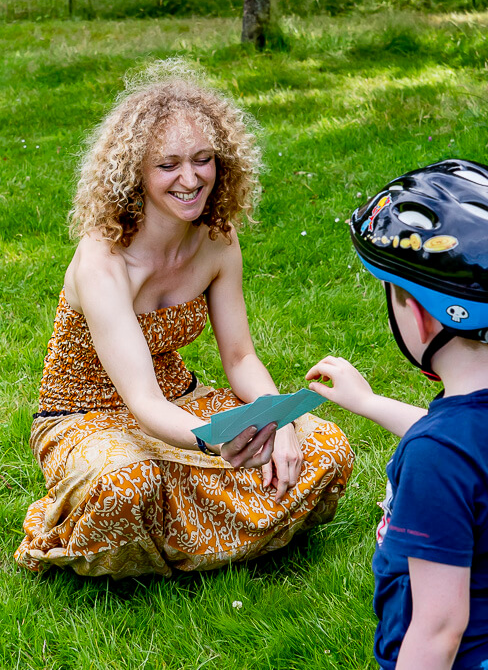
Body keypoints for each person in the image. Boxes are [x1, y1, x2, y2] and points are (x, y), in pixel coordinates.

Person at [15, 58, 353, 580]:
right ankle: (129, 519)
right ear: (135, 174)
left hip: (180, 399)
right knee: (127, 484)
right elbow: (142, 401)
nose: (190, 178)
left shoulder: (218, 239)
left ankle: (172, 533)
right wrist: (219, 441)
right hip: (83, 416)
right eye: (168, 164)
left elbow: (240, 357)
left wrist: (277, 417)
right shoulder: (103, 259)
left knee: (324, 448)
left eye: (203, 159)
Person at [306, 159, 488, 670]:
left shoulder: (436, 460)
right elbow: (472, 450)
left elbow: (440, 629)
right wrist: (369, 404)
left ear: (422, 317)